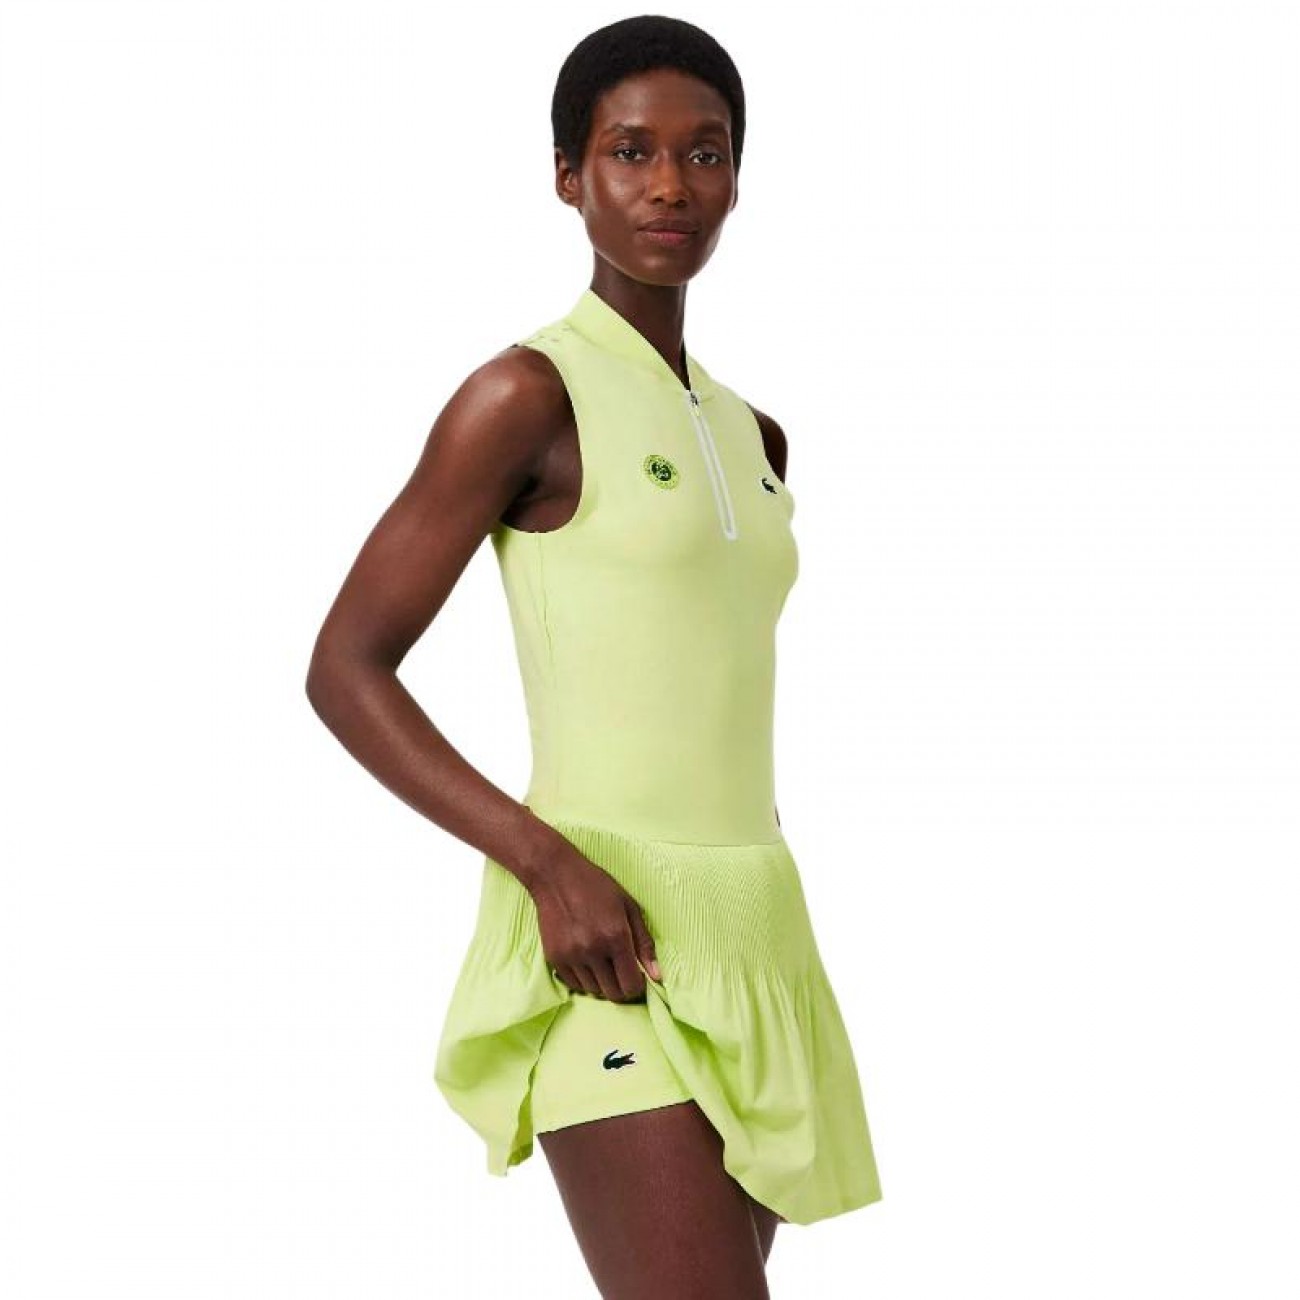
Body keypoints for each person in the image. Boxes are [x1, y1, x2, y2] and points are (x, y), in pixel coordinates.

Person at [306, 15, 882, 1297]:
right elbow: (346, 666)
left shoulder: (755, 436)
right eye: (631, 151)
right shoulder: (526, 395)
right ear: (569, 175)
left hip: (755, 922)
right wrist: (546, 864)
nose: (670, 185)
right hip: (601, 925)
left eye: (704, 152)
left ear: (737, 177)